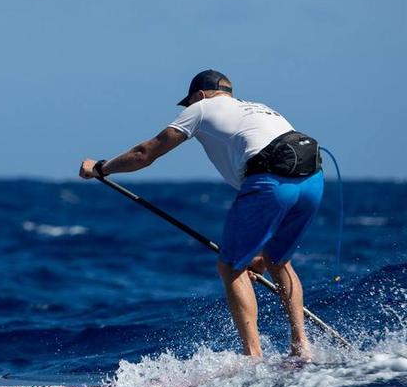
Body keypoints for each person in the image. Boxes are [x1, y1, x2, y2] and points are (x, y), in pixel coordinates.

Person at [79, 69, 324, 358]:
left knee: (231, 267)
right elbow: (279, 174)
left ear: (199, 95)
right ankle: (301, 346)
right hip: (313, 179)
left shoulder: (201, 108)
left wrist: (101, 168)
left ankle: (253, 358)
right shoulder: (263, 110)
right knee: (278, 261)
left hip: (270, 182)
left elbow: (145, 153)